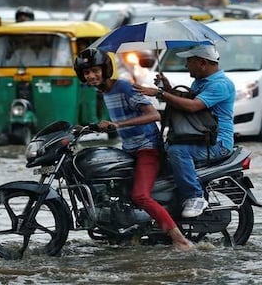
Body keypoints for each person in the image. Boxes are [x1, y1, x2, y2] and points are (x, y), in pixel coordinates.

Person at [73, 48, 194, 251]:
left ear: (105, 69)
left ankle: (181, 240)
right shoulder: (105, 92)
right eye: (86, 73)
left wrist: (117, 125)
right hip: (129, 149)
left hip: (148, 148)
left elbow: (154, 114)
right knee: (118, 190)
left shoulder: (123, 87)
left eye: (95, 70)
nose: (91, 76)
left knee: (140, 196)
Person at [134, 45, 235, 218]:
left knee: (177, 151)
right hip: (198, 137)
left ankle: (195, 196)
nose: (186, 65)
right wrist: (167, 88)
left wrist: (160, 93)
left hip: (217, 143)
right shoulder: (201, 82)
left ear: (202, 63)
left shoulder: (221, 85)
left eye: (189, 61)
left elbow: (193, 106)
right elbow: (186, 100)